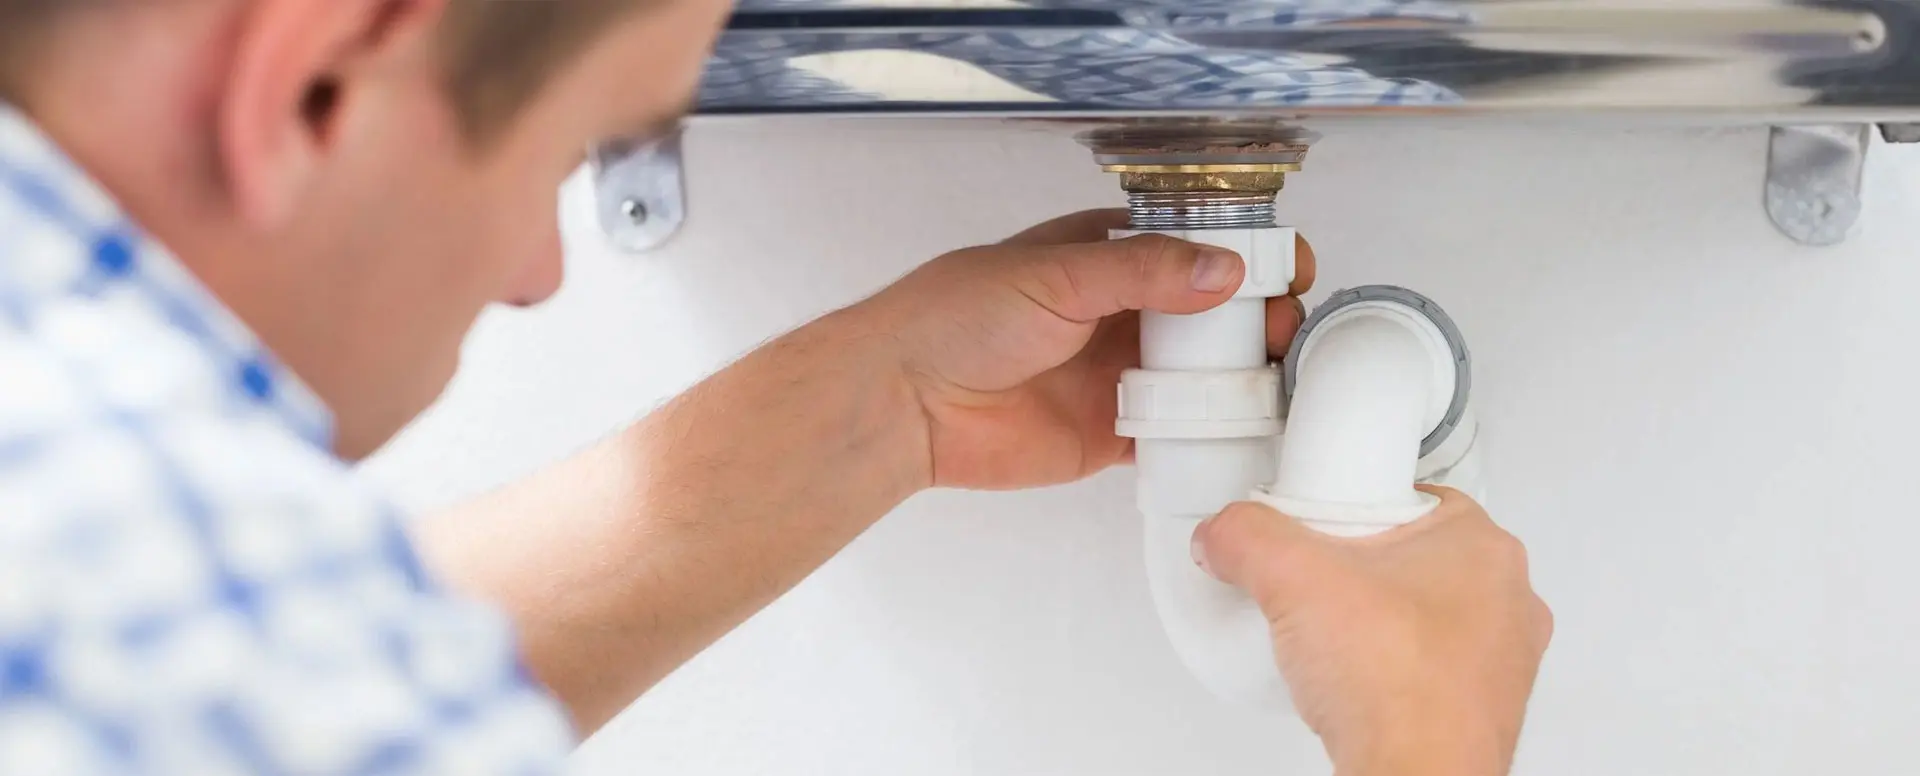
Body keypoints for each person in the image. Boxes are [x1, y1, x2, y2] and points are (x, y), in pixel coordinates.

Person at [0, 0, 1552, 774]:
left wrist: (887, 410)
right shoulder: (133, 532)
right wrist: (1427, 738)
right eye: (566, 152)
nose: (540, 271)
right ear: (314, 82)